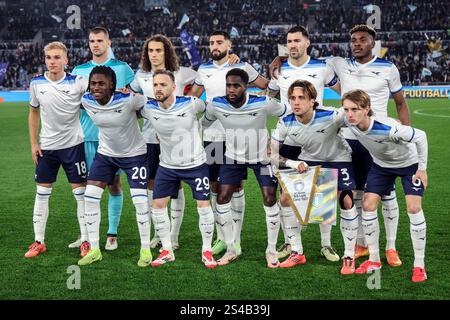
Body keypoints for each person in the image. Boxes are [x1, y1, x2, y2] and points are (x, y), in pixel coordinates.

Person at [270, 25, 411, 266]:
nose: (357, 43)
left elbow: (400, 103)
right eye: (353, 40)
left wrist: (405, 134)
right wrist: (282, 56)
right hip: (346, 138)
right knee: (353, 194)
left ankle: (391, 247)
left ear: (372, 43)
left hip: (376, 137)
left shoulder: (388, 68)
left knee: (386, 194)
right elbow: (300, 55)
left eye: (363, 40)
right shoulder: (337, 63)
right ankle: (360, 244)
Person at [190, 30, 269, 257]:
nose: (214, 45)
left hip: (239, 138)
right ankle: (222, 236)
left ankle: (236, 239)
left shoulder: (243, 66)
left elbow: (266, 86)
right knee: (216, 187)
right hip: (213, 138)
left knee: (236, 187)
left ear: (229, 45)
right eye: (211, 42)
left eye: (219, 42)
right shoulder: (203, 70)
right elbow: (194, 98)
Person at [267, 26, 340, 261]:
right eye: (289, 41)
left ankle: (326, 244)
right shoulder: (279, 70)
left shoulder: (323, 67)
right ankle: (291, 244)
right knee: (286, 195)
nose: (292, 45)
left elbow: (342, 90)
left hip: (317, 134)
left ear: (307, 42)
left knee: (321, 191)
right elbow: (270, 97)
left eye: (297, 40)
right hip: (288, 137)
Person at [270, 80, 358, 273]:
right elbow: (272, 153)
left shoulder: (332, 115)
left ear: (312, 101)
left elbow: (358, 117)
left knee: (346, 200)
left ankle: (349, 256)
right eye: (292, 98)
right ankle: (297, 252)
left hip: (338, 158)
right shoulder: (286, 121)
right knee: (285, 197)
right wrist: (293, 163)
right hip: (309, 160)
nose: (296, 102)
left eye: (301, 97)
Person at [202, 68, 287, 267]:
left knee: (269, 198)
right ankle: (232, 248)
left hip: (262, 159)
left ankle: (271, 250)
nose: (231, 89)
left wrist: (275, 140)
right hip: (232, 157)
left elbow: (287, 112)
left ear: (245, 86)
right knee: (222, 199)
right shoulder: (217, 105)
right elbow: (205, 122)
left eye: (236, 85)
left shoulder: (263, 103)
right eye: (228, 85)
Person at [342, 89, 428, 282]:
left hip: (409, 165)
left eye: (354, 109)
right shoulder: (349, 121)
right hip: (381, 167)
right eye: (346, 109)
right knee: (368, 205)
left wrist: (422, 169)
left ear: (367, 109)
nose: (349, 114)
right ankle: (374, 259)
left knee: (414, 208)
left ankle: (419, 266)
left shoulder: (387, 127)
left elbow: (420, 136)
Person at [141, 70, 216, 268]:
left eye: (163, 85)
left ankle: (206, 251)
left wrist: (200, 126)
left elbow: (210, 111)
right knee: (157, 206)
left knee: (204, 207)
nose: (158, 88)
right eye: (155, 85)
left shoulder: (191, 103)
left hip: (195, 165)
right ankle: (167, 250)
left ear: (174, 87)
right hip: (167, 166)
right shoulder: (148, 107)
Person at [130, 34, 198, 251]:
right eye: (150, 51)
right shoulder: (140, 75)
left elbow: (203, 79)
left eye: (158, 50)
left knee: (175, 188)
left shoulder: (182, 73)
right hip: (149, 139)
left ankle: (174, 237)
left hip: (176, 141)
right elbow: (130, 96)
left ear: (166, 52)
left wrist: (191, 100)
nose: (154, 54)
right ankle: (161, 234)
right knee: (152, 186)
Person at [78, 66, 151, 267]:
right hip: (106, 155)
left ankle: (145, 250)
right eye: (93, 83)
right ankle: (94, 250)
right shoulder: (86, 100)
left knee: (140, 202)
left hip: (134, 155)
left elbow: (152, 107)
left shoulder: (129, 100)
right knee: (90, 197)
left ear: (112, 85)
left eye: (101, 83)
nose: (96, 87)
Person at [70, 26, 135, 251]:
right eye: (91, 41)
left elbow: (136, 100)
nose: (95, 44)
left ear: (108, 42)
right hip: (87, 137)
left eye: (99, 40)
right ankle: (87, 235)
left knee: (114, 185)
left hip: (115, 139)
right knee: (89, 187)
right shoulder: (79, 70)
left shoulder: (123, 69)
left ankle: (112, 234)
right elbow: (74, 103)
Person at [25, 41, 89, 258]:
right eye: (49, 57)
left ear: (65, 60)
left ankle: (86, 240)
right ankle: (38, 241)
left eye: (56, 57)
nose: (52, 61)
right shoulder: (36, 84)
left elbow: (99, 93)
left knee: (80, 195)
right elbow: (33, 113)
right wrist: (34, 143)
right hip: (47, 148)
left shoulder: (78, 82)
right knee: (42, 194)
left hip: (73, 146)